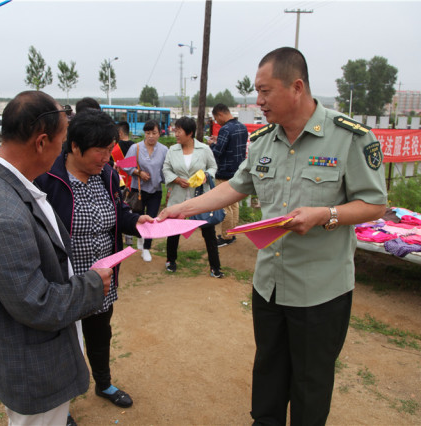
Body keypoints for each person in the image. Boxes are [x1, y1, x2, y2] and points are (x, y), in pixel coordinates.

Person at [158, 47, 387, 425]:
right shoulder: (263, 140)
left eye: (265, 92)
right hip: (269, 285)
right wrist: (179, 209)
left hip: (320, 290)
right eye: (256, 92)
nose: (258, 101)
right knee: (268, 372)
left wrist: (324, 215)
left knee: (310, 383)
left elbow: (375, 205)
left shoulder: (349, 137)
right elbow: (235, 186)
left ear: (297, 87)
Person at [0, 91, 113, 425]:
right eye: (61, 143)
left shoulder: (2, 183)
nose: (62, 152)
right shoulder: (5, 214)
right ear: (42, 142)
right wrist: (91, 286)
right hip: (32, 363)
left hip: (30, 351)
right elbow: (36, 302)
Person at [36, 109, 153, 411]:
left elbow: (119, 215)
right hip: (65, 284)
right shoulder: (48, 180)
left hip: (102, 281)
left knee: (100, 335)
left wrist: (137, 220)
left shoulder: (108, 176)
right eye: (100, 150)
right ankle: (62, 405)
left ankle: (103, 383)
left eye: (109, 148)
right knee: (63, 344)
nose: (106, 156)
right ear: (75, 147)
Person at [162, 116, 224, 278]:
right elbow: (166, 169)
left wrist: (206, 176)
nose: (175, 134)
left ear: (189, 133)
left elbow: (213, 167)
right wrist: (176, 179)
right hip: (179, 196)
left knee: (208, 231)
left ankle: (215, 267)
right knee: (174, 231)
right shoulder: (172, 150)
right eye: (175, 130)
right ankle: (171, 260)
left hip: (200, 198)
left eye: (179, 131)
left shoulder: (204, 149)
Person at [122, 119, 168, 261]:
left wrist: (171, 186)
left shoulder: (164, 150)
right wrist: (138, 172)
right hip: (139, 191)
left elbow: (165, 171)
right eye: (148, 133)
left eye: (154, 133)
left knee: (152, 219)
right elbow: (125, 165)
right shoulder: (135, 148)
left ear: (159, 133)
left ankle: (146, 248)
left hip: (156, 190)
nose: (151, 136)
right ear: (144, 134)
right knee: (139, 218)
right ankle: (141, 238)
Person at [208, 103, 248, 247]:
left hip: (224, 172)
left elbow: (218, 152)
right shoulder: (242, 127)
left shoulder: (225, 129)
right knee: (234, 204)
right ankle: (232, 233)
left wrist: (212, 144)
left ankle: (225, 236)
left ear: (220, 114)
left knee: (225, 206)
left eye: (216, 118)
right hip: (237, 171)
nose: (217, 122)